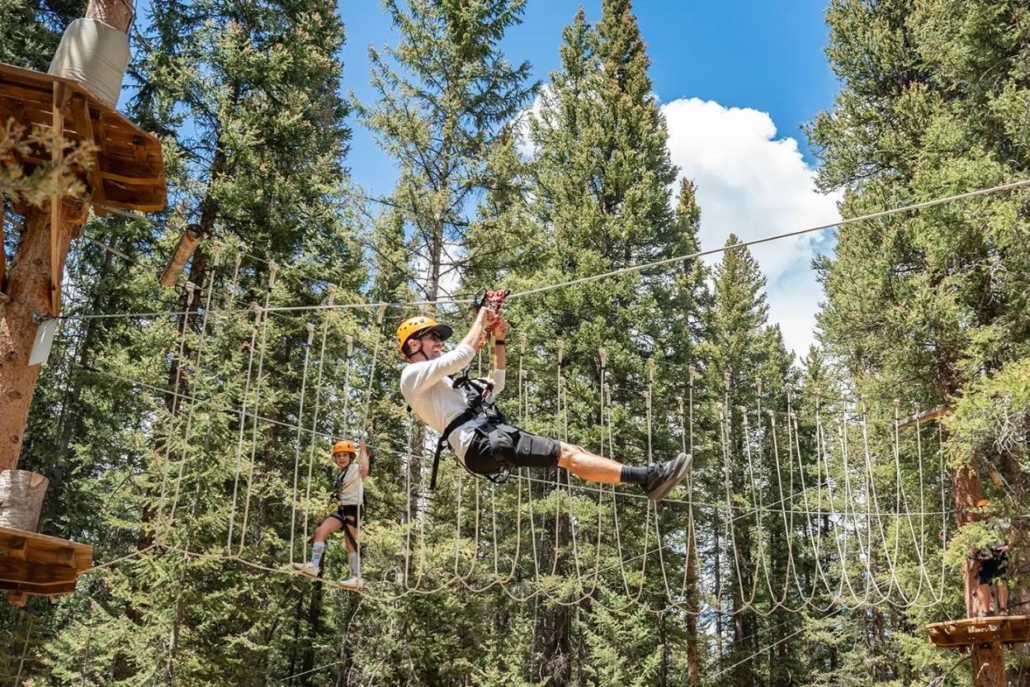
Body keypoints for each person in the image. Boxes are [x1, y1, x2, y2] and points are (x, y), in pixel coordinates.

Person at [396, 306, 691, 501]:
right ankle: (649, 477)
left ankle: (645, 478)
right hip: (479, 442)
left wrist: (499, 340)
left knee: (573, 452)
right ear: (413, 344)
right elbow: (461, 356)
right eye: (433, 337)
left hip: (486, 440)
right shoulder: (411, 377)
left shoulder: (448, 385)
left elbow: (496, 383)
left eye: (439, 337)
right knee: (566, 454)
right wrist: (480, 319)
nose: (439, 342)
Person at [293, 439, 369, 589]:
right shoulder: (342, 474)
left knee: (350, 543)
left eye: (344, 456)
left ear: (351, 457)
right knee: (320, 531)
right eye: (338, 456)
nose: (341, 458)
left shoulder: (353, 468)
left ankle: (356, 577)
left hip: (353, 509)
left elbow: (365, 469)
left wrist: (363, 450)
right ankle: (313, 566)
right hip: (343, 509)